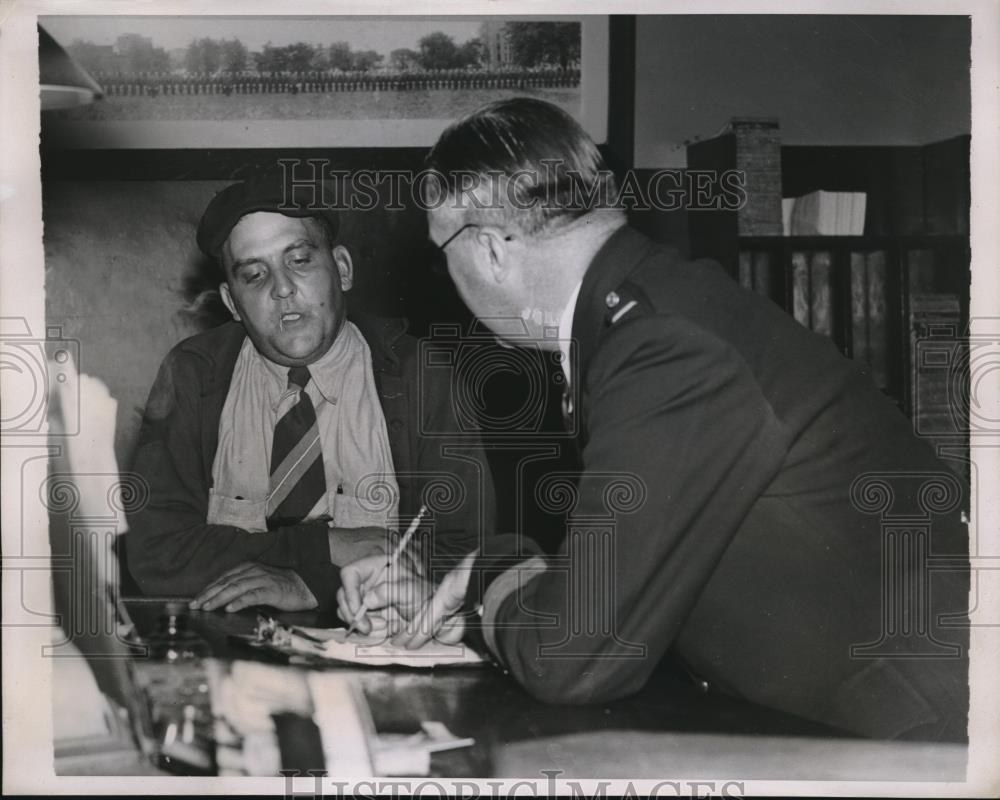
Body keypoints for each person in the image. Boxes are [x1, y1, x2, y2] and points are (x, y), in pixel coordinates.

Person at [337, 98, 970, 741]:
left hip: (927, 734)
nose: (446, 275)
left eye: (441, 250)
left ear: (492, 249)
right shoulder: (652, 309)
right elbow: (630, 577)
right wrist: (481, 595)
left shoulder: (662, 348)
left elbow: (572, 659)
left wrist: (492, 577)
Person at [127, 171, 495, 614]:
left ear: (341, 269)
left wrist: (312, 584)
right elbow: (158, 553)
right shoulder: (193, 374)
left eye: (299, 260)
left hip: (374, 648)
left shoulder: (421, 377)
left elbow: (467, 556)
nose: (281, 289)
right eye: (254, 275)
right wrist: (327, 546)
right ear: (231, 303)